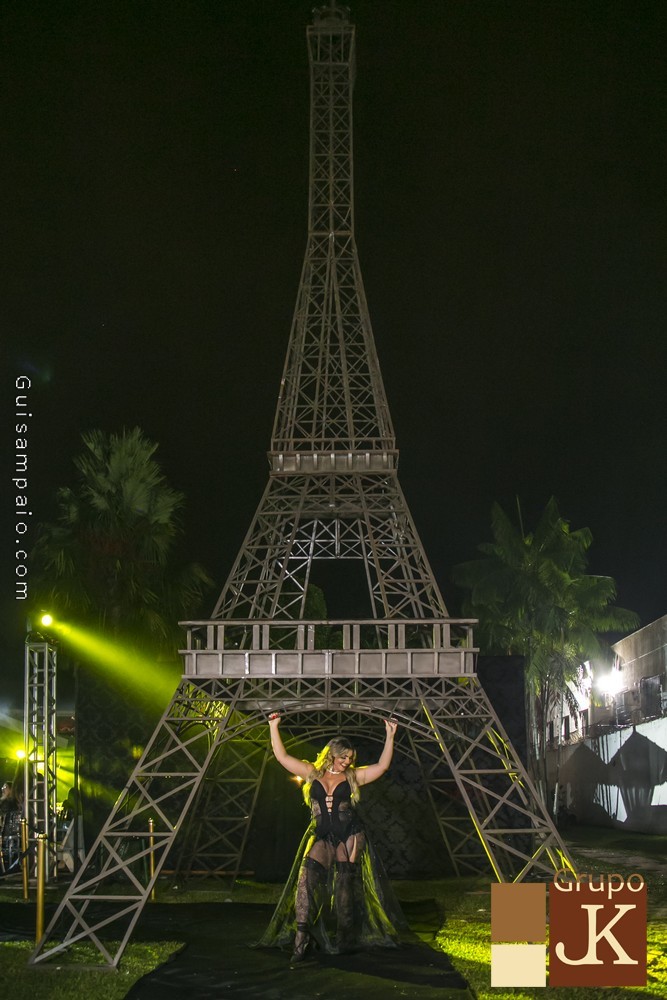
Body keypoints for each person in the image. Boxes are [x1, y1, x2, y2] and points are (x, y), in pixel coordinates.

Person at [259, 713, 401, 964]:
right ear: (332, 754)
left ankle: (345, 939)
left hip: (350, 833)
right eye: (344, 757)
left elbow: (381, 767)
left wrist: (390, 736)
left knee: (344, 885)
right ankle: (301, 939)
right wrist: (273, 726)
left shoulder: (353, 776)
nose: (348, 761)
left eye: (351, 758)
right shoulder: (312, 772)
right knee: (306, 879)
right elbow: (282, 757)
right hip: (322, 834)